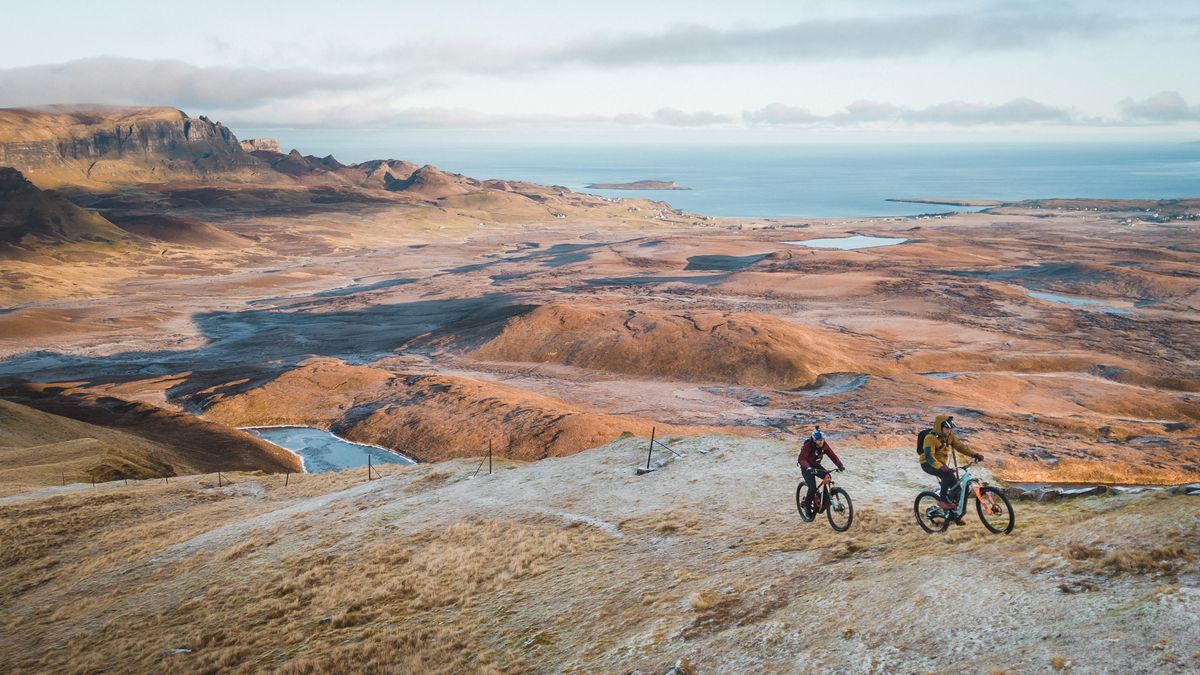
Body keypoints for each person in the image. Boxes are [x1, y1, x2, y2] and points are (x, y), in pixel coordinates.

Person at [920, 415, 984, 520]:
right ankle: (943, 501)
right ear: (940, 427)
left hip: (941, 465)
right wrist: (941, 467)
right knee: (947, 474)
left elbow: (960, 447)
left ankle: (952, 516)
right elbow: (929, 457)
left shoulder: (950, 437)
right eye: (946, 428)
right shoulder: (930, 438)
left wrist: (974, 454)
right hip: (927, 463)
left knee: (957, 490)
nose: (949, 431)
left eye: (950, 428)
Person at [796, 427, 845, 515]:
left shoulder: (824, 445)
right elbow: (802, 459)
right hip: (806, 468)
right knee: (812, 487)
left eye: (822, 440)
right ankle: (807, 506)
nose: (821, 442)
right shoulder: (808, 446)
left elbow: (832, 455)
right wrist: (807, 467)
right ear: (814, 440)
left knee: (828, 477)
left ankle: (824, 501)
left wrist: (840, 465)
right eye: (818, 440)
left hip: (816, 465)